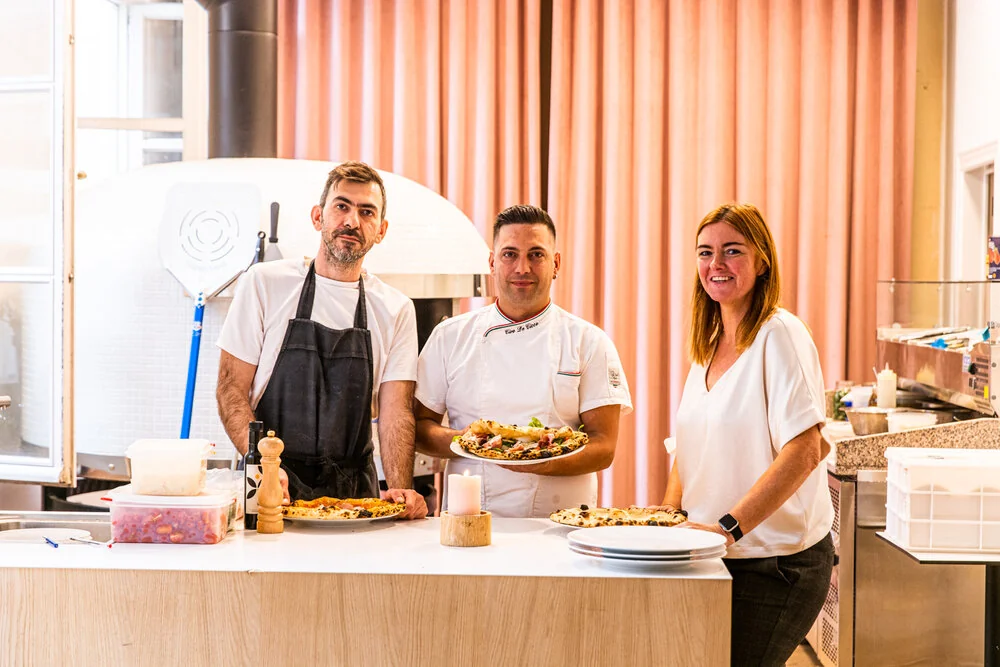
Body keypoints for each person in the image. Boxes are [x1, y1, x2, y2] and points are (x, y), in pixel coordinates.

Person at [659, 202, 834, 665]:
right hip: (714, 555)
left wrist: (726, 529)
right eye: (705, 252)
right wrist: (666, 518)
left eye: (731, 251)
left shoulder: (780, 334)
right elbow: (688, 449)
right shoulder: (707, 345)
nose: (716, 264)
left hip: (775, 563)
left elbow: (805, 450)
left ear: (762, 262)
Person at [216, 160, 427, 519]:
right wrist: (263, 468)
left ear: (381, 230)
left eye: (366, 212)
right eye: (341, 206)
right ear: (318, 217)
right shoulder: (265, 284)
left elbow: (395, 411)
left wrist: (400, 488)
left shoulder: (396, 308)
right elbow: (230, 388)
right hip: (271, 491)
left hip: (356, 500)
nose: (351, 221)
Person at [414, 205, 632, 517]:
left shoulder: (588, 341)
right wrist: (476, 443)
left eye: (536, 255)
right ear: (492, 262)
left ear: (555, 264)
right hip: (471, 521)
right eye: (509, 254)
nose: (522, 268)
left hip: (560, 524)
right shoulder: (450, 337)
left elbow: (604, 448)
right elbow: (420, 427)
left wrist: (537, 460)